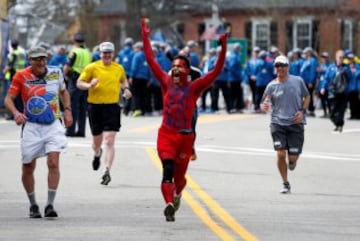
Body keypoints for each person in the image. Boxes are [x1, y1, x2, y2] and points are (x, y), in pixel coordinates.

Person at [141, 18, 227, 221]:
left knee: (179, 179)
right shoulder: (165, 81)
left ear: (188, 71)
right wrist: (145, 35)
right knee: (167, 169)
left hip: (185, 138)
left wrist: (222, 46)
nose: (176, 70)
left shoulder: (194, 87)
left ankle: (177, 194)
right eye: (174, 67)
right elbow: (151, 59)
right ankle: (169, 204)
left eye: (180, 67)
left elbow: (216, 71)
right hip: (167, 134)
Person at [4, 46, 73, 218]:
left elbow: (64, 92)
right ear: (30, 61)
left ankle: (50, 205)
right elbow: (8, 99)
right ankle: (33, 204)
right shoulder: (21, 76)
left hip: (53, 124)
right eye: (37, 59)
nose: (42, 62)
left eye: (44, 58)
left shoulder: (56, 72)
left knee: (53, 162)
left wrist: (68, 110)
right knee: (28, 166)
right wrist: (16, 113)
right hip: (32, 126)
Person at [76, 41, 131, 185]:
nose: (107, 55)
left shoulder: (118, 68)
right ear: (100, 54)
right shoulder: (92, 67)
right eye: (104, 53)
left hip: (112, 107)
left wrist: (126, 89)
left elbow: (123, 81)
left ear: (113, 54)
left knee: (110, 140)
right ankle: (97, 153)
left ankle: (107, 171)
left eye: (109, 53)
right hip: (95, 107)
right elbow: (79, 83)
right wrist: (89, 85)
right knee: (96, 142)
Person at [261, 55, 310, 194]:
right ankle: (285, 183)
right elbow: (264, 101)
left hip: (295, 123)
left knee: (292, 158)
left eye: (282, 65)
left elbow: (307, 96)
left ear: (287, 67)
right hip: (277, 123)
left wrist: (302, 112)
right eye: (277, 66)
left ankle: (293, 161)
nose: (280, 68)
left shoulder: (297, 81)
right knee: (280, 154)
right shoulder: (271, 86)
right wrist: (264, 106)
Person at [63, 33, 92, 137]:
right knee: (83, 107)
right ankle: (81, 131)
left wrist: (63, 76)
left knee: (72, 106)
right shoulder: (88, 52)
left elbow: (67, 66)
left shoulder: (74, 51)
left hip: (75, 80)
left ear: (74, 41)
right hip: (85, 81)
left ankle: (70, 131)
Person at [2, 39, 27, 120]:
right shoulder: (22, 52)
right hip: (22, 75)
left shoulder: (14, 53)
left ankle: (15, 114)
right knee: (19, 96)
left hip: (15, 76)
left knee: (13, 96)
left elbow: (10, 65)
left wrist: (3, 71)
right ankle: (20, 112)